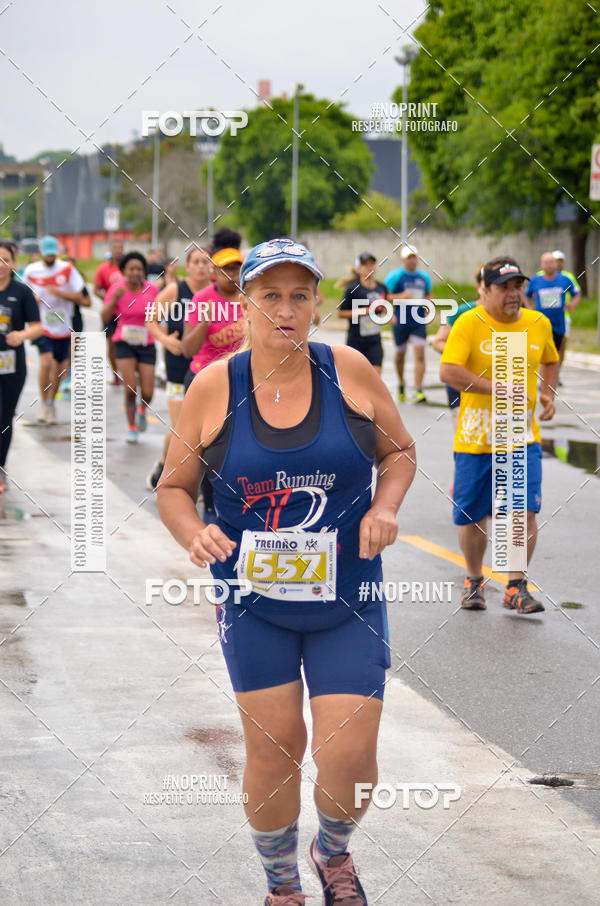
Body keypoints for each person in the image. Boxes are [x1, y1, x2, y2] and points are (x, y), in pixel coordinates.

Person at [440, 256, 559, 614]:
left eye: (517, 286)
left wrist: (548, 393)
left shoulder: (538, 323)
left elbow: (551, 359)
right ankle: (474, 580)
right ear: (486, 289)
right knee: (473, 515)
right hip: (476, 438)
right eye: (504, 286)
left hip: (521, 438)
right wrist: (497, 389)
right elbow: (448, 370)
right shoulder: (469, 323)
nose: (513, 293)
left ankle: (515, 586)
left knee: (522, 512)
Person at [181, 232, 246, 521]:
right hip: (205, 380)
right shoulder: (202, 299)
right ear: (214, 273)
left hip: (242, 379)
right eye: (226, 269)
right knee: (209, 445)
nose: (232, 275)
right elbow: (187, 348)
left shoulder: (249, 300)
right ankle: (208, 504)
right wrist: (204, 321)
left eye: (236, 269)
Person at [145, 246, 213, 490]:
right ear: (188, 265)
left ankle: (203, 480)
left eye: (206, 262)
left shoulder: (216, 294)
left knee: (206, 429)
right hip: (177, 367)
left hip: (207, 368)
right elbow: (150, 319)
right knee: (182, 429)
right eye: (196, 262)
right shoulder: (176, 290)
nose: (201, 267)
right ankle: (165, 463)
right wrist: (167, 341)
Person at [23, 235, 88, 424]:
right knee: (46, 363)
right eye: (47, 254)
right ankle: (43, 404)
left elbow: (81, 297)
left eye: (53, 254)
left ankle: (51, 403)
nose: (50, 258)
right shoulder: (31, 271)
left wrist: (60, 293)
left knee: (60, 369)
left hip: (63, 327)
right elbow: (23, 295)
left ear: (57, 253)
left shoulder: (67, 270)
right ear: (40, 252)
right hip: (42, 326)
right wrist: (31, 302)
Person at [101, 252, 159, 443]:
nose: (135, 272)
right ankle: (132, 426)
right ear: (124, 271)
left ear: (144, 271)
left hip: (146, 343)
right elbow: (104, 317)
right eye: (131, 269)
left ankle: (142, 409)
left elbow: (159, 315)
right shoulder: (117, 289)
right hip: (123, 342)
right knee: (131, 387)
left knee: (148, 391)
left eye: (139, 269)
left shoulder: (152, 289)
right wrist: (114, 300)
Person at [0, 241, 42, 493]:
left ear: (13, 263)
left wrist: (21, 336)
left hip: (11, 365)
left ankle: (0, 467)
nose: (1, 265)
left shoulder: (22, 292)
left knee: (4, 417)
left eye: (5, 259)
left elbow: (37, 326)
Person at [430, 265, 485, 430]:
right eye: (486, 283)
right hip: (461, 378)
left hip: (491, 382)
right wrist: (465, 353)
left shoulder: (511, 317)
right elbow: (438, 341)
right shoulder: (462, 311)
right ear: (479, 286)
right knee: (464, 428)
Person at [384, 245, 433, 404]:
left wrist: (428, 304)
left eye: (414, 257)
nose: (412, 261)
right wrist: (401, 296)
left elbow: (429, 294)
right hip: (401, 319)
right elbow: (384, 295)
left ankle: (418, 390)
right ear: (403, 259)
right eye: (409, 257)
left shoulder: (423, 277)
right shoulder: (395, 277)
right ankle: (401, 383)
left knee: (420, 353)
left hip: (418, 320)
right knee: (401, 354)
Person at [525, 252, 580, 378]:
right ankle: (542, 378)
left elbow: (577, 293)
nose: (549, 265)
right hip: (540, 323)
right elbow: (526, 296)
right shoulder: (535, 280)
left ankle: (554, 377)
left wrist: (572, 304)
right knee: (540, 351)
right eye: (546, 263)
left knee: (556, 352)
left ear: (556, 264)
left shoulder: (565, 279)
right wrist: (529, 308)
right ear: (541, 265)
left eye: (551, 262)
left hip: (558, 323)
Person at [338, 252, 387, 374]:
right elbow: (341, 313)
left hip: (375, 340)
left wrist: (388, 314)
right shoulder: (353, 289)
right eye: (365, 265)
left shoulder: (381, 287)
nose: (369, 267)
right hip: (356, 341)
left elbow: (384, 306)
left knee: (375, 375)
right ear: (359, 269)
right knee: (355, 377)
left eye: (372, 264)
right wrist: (363, 312)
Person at [95, 239, 124, 385]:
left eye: (121, 248)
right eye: (116, 248)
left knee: (125, 343)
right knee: (112, 344)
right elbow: (96, 289)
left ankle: (128, 371)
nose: (118, 251)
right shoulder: (103, 269)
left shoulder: (128, 268)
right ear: (111, 250)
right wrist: (109, 298)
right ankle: (116, 376)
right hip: (110, 313)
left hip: (126, 312)